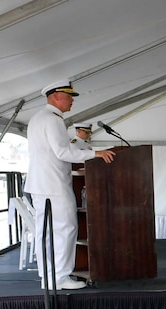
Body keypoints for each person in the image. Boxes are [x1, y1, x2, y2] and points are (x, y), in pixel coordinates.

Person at [24, 81, 116, 289]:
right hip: (53, 184)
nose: (72, 100)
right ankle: (60, 277)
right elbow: (63, 152)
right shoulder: (53, 120)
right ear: (56, 96)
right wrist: (96, 154)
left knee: (44, 231)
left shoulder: (38, 118)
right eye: (69, 96)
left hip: (40, 184)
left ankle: (47, 276)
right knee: (66, 229)